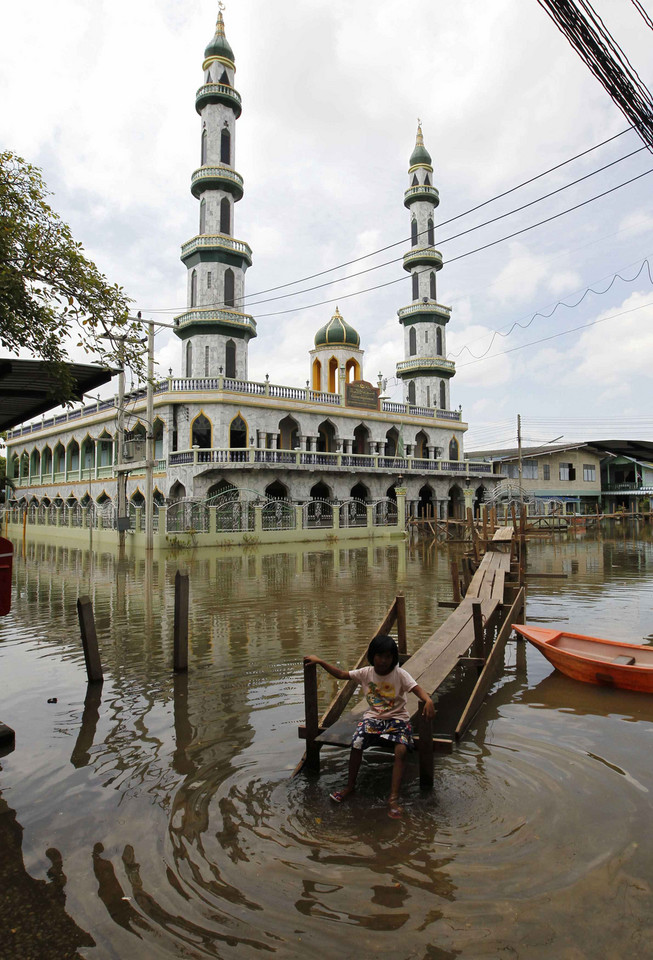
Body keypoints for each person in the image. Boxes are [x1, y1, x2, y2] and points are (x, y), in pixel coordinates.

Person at [304, 634, 435, 818]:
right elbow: (342, 675)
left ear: (393, 658)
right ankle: (350, 786)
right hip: (373, 718)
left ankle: (393, 798)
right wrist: (320, 661)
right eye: (380, 656)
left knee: (401, 750)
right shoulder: (366, 673)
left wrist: (428, 700)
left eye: (388, 657)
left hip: (398, 719)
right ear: (372, 656)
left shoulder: (399, 674)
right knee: (356, 742)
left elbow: (417, 689)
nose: (384, 661)